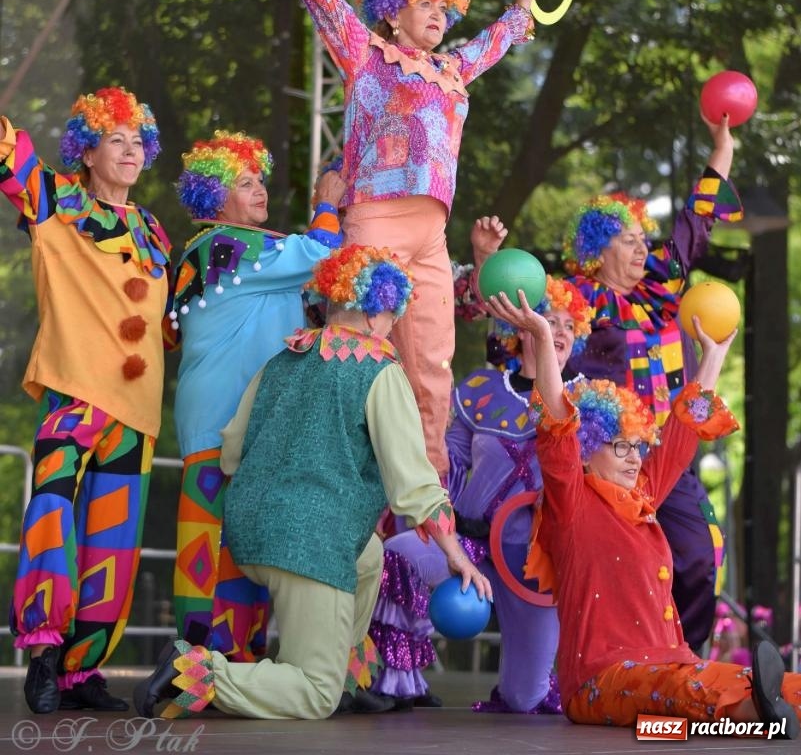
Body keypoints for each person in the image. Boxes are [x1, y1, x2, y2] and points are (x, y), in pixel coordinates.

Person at [250, 0, 538, 477]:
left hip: (431, 235)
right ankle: (336, 489)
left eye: (443, 7)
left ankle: (429, 516)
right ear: (392, 10)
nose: (437, 15)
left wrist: (521, 9)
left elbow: (496, 41)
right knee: (356, 353)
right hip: (375, 219)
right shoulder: (365, 53)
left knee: (431, 368)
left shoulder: (454, 69)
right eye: (424, 4)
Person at [133, 244, 492, 722]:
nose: (393, 325)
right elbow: (413, 482)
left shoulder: (282, 360)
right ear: (375, 310)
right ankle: (195, 673)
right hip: (309, 544)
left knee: (369, 556)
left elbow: (232, 448)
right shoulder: (379, 372)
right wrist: (455, 553)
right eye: (393, 314)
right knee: (312, 694)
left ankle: (347, 674)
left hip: (251, 531)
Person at [501, 289, 800, 738]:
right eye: (620, 446)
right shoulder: (571, 501)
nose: (634, 457)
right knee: (686, 687)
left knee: (752, 683)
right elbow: (556, 426)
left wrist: (712, 357)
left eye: (638, 446)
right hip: (600, 682)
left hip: (672, 668)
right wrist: (545, 339)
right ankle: (757, 717)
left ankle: (767, 715)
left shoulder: (642, 496)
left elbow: (680, 433)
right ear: (585, 452)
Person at [0, 88, 171, 714]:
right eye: (115, 140)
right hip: (74, 396)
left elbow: (166, 320)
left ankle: (82, 672)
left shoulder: (154, 230)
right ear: (88, 151)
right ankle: (43, 656)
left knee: (115, 545)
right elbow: (6, 154)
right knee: (51, 524)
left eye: (137, 142)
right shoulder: (54, 201)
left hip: (137, 414)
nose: (129, 152)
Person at [370, 265, 591, 714]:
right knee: (399, 552)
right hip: (471, 542)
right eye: (551, 320)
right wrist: (441, 522)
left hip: (537, 564)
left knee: (524, 698)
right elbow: (448, 465)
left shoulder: (591, 401)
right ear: (522, 325)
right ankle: (397, 682)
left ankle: (528, 685)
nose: (561, 331)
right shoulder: (480, 390)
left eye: (571, 325)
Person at [560, 114, 743, 649]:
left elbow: (697, 218)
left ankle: (684, 657)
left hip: (669, 453)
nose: (642, 249)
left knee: (699, 553)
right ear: (597, 249)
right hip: (607, 461)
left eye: (644, 239)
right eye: (627, 240)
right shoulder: (577, 300)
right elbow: (532, 346)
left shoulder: (663, 286)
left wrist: (722, 147)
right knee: (603, 569)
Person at [169, 130, 345, 661]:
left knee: (244, 545)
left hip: (249, 426)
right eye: (244, 183)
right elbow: (319, 252)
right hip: (220, 420)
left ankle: (237, 664)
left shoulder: (249, 258)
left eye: (259, 179)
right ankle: (197, 666)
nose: (260, 190)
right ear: (213, 198)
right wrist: (328, 204)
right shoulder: (227, 244)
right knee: (210, 544)